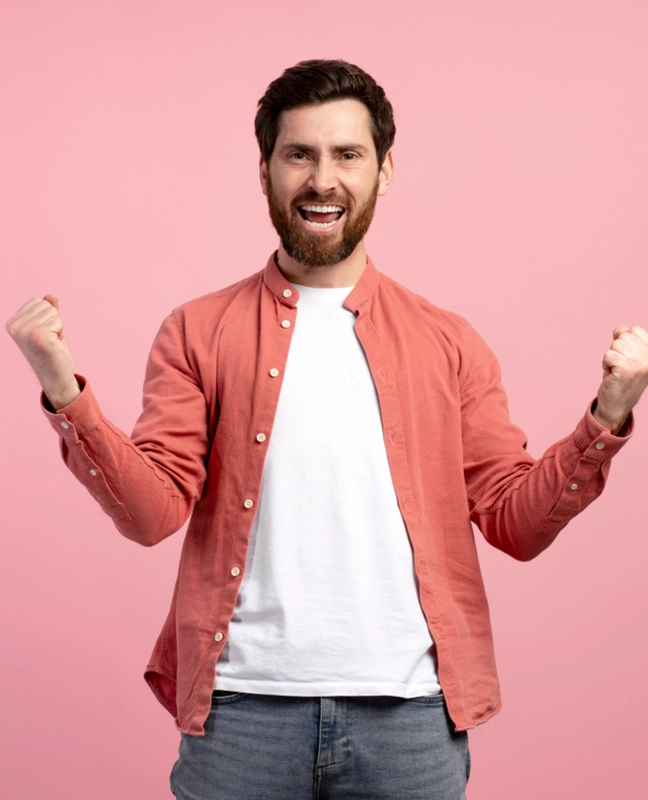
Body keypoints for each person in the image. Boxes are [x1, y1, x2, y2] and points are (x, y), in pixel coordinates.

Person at [6, 60, 648, 800]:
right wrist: (64, 389)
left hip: (411, 719)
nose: (322, 179)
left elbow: (516, 523)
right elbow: (151, 513)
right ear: (265, 170)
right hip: (241, 715)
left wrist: (607, 417)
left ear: (384, 170)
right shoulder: (198, 332)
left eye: (347, 154)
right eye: (299, 155)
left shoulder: (450, 341)